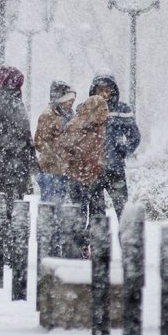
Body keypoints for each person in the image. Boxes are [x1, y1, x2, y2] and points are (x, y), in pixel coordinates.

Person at [0, 66, 38, 260]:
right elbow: (25, 137)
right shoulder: (15, 105)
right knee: (14, 211)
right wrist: (31, 164)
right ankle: (14, 254)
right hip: (15, 169)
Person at [61, 84, 109, 256]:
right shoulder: (76, 125)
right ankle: (79, 246)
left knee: (97, 213)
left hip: (93, 176)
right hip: (79, 177)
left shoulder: (98, 125)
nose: (104, 115)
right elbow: (67, 150)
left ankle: (90, 244)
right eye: (102, 111)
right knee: (80, 214)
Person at [90, 73, 141, 220]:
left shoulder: (122, 110)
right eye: (100, 90)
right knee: (96, 212)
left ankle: (127, 241)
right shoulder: (86, 109)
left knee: (122, 210)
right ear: (94, 90)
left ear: (113, 91)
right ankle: (98, 241)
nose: (104, 94)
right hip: (94, 170)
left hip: (115, 169)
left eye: (108, 90)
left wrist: (124, 149)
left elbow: (135, 136)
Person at [34, 80, 76, 257]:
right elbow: (39, 142)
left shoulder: (70, 115)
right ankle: (47, 246)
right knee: (51, 209)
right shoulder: (47, 116)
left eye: (71, 100)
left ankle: (57, 245)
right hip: (51, 172)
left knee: (61, 211)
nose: (70, 103)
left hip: (65, 172)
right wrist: (59, 155)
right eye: (66, 100)